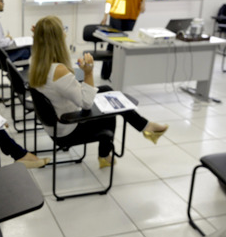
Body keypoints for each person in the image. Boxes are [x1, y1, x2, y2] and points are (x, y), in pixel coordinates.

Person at [28, 15, 168, 168]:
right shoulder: (58, 70)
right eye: (63, 31)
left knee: (107, 90)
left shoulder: (35, 60)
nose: (65, 34)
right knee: (110, 112)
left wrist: (39, 34)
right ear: (57, 39)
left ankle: (146, 126)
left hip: (54, 124)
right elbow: (86, 103)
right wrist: (88, 73)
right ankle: (105, 155)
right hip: (67, 128)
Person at [100, 0, 145, 80]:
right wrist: (105, 15)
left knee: (125, 45)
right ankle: (106, 73)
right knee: (114, 44)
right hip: (116, 15)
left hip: (132, 16)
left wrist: (143, 3)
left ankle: (119, 74)